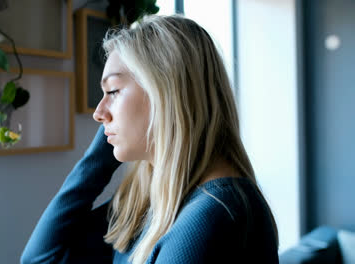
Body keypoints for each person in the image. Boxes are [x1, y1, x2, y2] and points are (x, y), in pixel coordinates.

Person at [20, 14, 279, 264]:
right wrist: (104, 152)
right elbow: (42, 258)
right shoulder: (153, 202)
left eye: (113, 91)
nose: (99, 114)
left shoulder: (211, 216)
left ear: (165, 92)